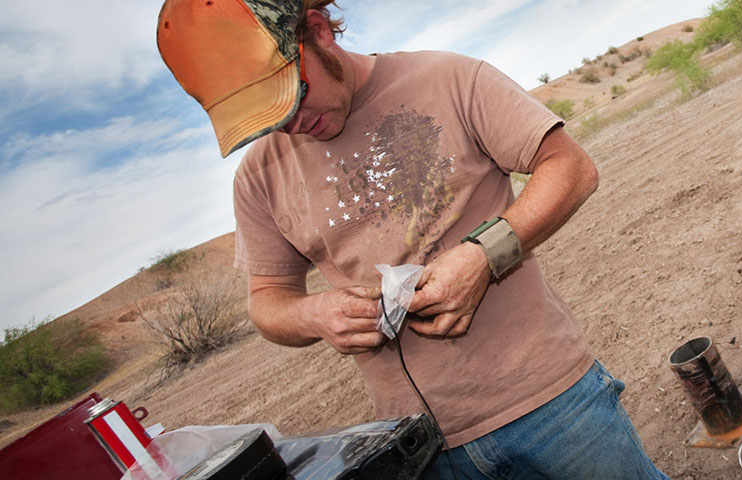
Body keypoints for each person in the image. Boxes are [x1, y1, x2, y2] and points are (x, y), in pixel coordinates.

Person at [155, 0, 669, 478]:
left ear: (316, 31)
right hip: (417, 448)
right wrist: (314, 315)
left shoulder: (448, 78)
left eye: (293, 96)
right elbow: (267, 302)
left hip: (554, 406)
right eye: (267, 117)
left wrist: (483, 257)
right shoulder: (258, 175)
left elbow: (571, 167)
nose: (290, 124)